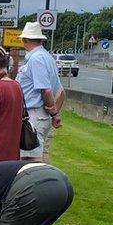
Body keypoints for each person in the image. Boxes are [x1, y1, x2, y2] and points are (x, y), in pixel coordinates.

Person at [17, 22, 66, 163]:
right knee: (38, 155)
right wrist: (55, 113)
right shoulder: (47, 57)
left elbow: (46, 90)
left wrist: (54, 113)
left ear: (25, 40)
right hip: (40, 115)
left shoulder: (36, 59)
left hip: (34, 114)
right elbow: (60, 90)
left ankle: (41, 184)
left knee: (31, 159)